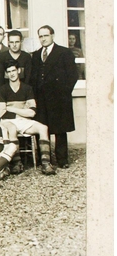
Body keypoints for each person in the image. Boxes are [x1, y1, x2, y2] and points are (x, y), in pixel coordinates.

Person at [30, 25, 79, 169]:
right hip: (42, 99)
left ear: (52, 36)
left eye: (46, 35)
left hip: (59, 98)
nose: (43, 39)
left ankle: (62, 159)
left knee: (60, 129)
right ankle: (44, 159)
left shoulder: (64, 53)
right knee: (43, 127)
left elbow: (73, 75)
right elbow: (34, 77)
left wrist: (64, 92)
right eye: (40, 36)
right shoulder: (37, 54)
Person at [0, 60, 55, 175]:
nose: (12, 74)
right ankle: (17, 163)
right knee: (12, 128)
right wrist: (23, 111)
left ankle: (46, 163)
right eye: (9, 72)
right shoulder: (3, 89)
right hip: (7, 121)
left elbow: (32, 112)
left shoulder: (27, 88)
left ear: (18, 71)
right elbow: (2, 113)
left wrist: (12, 109)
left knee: (43, 128)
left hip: (23, 121)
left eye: (13, 70)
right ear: (6, 74)